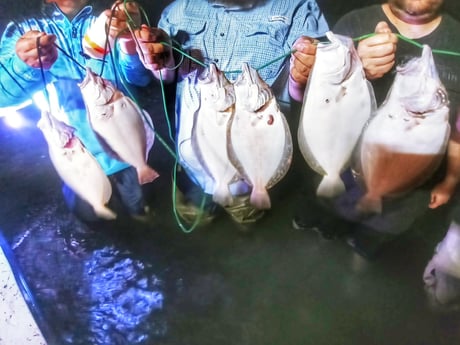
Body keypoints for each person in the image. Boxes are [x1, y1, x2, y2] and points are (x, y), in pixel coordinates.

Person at [135, 0, 329, 228]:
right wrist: (158, 60)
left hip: (252, 169)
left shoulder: (298, 7)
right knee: (193, 213)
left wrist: (306, 74)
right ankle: (202, 218)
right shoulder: (178, 9)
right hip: (194, 161)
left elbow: (306, 95)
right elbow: (166, 75)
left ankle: (245, 225)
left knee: (246, 215)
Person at [292, 0, 460, 259]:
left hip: (410, 190)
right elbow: (315, 108)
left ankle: (358, 259)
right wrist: (354, 67)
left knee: (371, 241)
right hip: (342, 177)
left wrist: (449, 182)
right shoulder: (353, 24)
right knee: (325, 222)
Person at [0, 0, 160, 224]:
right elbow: (3, 99)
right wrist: (24, 64)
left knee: (139, 203)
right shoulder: (21, 30)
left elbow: (139, 79)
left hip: (128, 146)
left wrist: (129, 47)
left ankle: (143, 221)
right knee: (89, 214)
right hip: (74, 153)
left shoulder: (113, 16)